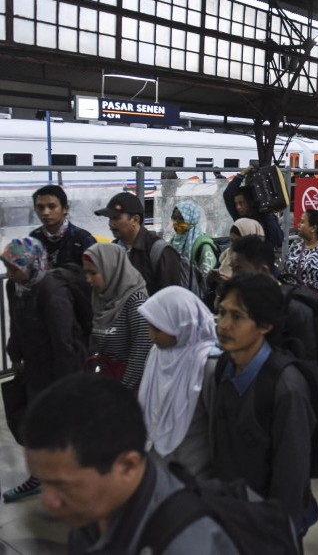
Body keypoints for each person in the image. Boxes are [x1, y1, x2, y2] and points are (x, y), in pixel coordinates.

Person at [22, 373, 238, 554]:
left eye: (62, 486)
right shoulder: (93, 511)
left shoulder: (185, 545)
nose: (48, 502)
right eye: (43, 482)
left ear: (127, 465)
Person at [207, 273, 317, 536]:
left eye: (236, 317)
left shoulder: (286, 387)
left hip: (269, 525)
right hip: (233, 513)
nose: (223, 325)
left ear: (265, 324)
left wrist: (272, 534)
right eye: (221, 313)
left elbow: (291, 479)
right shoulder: (224, 367)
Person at [1, 237, 90, 502]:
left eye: (15, 267)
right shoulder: (15, 286)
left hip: (61, 371)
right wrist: (15, 355)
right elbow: (15, 323)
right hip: (35, 368)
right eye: (7, 266)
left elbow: (64, 344)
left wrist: (64, 388)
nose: (10, 272)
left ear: (32, 263)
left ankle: (75, 483)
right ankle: (41, 477)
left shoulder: (52, 293)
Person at [137, 286, 216, 479]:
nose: (151, 336)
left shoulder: (207, 365)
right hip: (157, 467)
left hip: (194, 472)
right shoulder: (157, 354)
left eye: (158, 329)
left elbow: (217, 428)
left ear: (182, 324)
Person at [83, 242, 152, 391]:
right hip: (105, 385)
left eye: (93, 273)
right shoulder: (101, 298)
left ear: (111, 269)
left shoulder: (135, 303)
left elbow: (140, 355)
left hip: (127, 392)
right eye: (86, 273)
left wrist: (122, 394)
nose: (88, 279)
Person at [95, 192, 180, 295]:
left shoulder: (159, 252)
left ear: (135, 220)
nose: (110, 223)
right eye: (110, 218)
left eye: (116, 218)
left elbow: (171, 299)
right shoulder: (113, 250)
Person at [29, 185, 96, 268]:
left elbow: (96, 274)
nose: (45, 212)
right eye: (40, 207)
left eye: (52, 207)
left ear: (65, 209)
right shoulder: (34, 238)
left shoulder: (82, 239)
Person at [222, 166, 283, 249]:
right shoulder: (239, 217)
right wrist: (241, 175)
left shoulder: (266, 217)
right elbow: (227, 194)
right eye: (236, 204)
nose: (238, 207)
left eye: (241, 203)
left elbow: (278, 240)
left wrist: (269, 215)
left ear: (250, 202)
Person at [170, 200, 219, 274]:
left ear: (192, 219)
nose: (176, 222)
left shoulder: (203, 246)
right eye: (174, 218)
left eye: (181, 218)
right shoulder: (173, 241)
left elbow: (206, 277)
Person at [212, 217, 264, 283]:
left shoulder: (259, 264)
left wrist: (228, 283)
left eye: (237, 241)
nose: (233, 246)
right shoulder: (229, 252)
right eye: (231, 241)